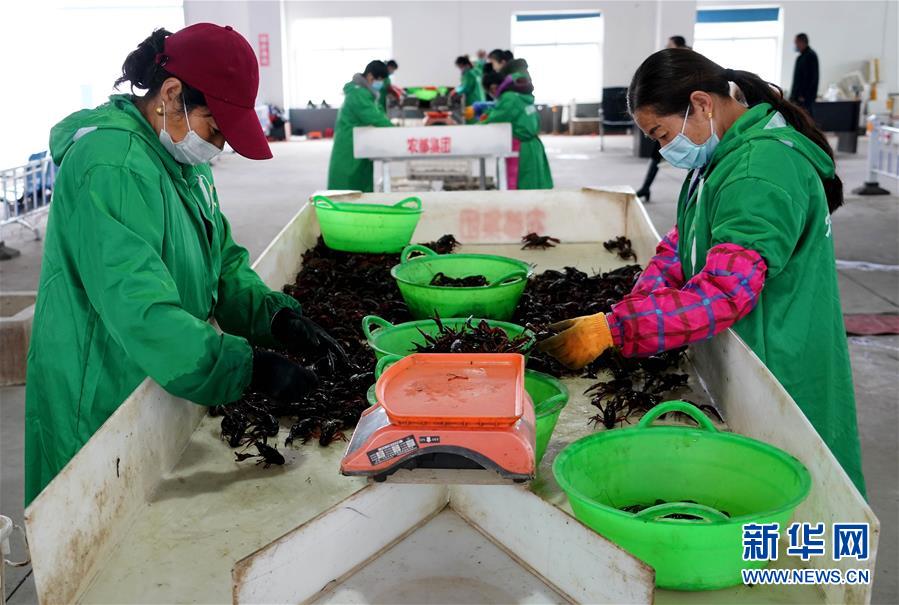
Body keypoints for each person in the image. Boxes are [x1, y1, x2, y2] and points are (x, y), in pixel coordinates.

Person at [24, 24, 344, 505]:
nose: (217, 147)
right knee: (97, 547)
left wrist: (277, 319)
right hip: (102, 391)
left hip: (165, 369)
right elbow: (142, 311)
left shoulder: (180, 160)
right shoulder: (112, 166)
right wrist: (247, 366)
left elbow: (223, 262)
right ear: (170, 94)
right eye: (215, 127)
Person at [539, 48, 865, 495]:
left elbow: (725, 293)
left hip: (779, 361)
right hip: (748, 352)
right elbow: (682, 246)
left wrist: (617, 329)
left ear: (701, 104)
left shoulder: (758, 172)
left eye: (661, 133)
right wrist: (633, 307)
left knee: (793, 501)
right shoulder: (724, 155)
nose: (662, 147)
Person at [636, 35, 690, 201]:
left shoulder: (685, 63)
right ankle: (646, 187)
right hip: (667, 115)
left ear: (677, 45)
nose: (666, 47)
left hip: (681, 116)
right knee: (658, 150)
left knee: (693, 156)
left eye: (669, 44)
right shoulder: (671, 64)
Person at [327, 60, 393, 192]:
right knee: (347, 184)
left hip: (360, 140)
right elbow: (374, 116)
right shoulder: (358, 94)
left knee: (360, 180)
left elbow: (377, 110)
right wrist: (396, 131)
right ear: (370, 76)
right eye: (379, 80)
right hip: (349, 143)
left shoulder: (366, 92)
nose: (380, 84)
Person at [480, 70, 553, 190]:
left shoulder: (509, 98)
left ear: (493, 88)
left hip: (522, 147)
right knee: (535, 183)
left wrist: (478, 123)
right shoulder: (520, 96)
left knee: (523, 184)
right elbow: (508, 113)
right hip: (534, 145)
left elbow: (498, 117)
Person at [790, 33, 819, 113]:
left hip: (804, 98)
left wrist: (803, 95)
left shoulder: (811, 56)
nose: (795, 45)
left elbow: (811, 78)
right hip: (798, 97)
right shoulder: (801, 57)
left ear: (802, 42)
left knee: (806, 119)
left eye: (796, 42)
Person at [453, 55, 485, 120]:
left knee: (473, 120)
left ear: (464, 65)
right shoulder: (476, 71)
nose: (460, 69)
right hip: (480, 98)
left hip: (473, 100)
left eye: (460, 67)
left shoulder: (468, 74)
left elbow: (466, 87)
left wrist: (456, 91)